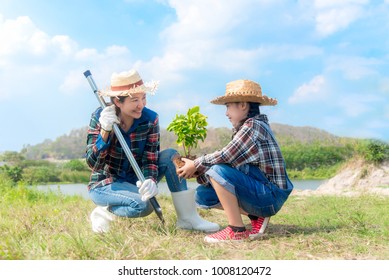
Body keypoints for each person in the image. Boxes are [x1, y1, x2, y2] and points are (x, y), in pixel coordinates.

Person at [85, 69, 219, 233]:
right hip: (106, 184)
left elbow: (150, 158)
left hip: (135, 180)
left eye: (143, 98)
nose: (141, 104)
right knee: (143, 206)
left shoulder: (150, 119)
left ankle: (188, 218)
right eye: (135, 100)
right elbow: (93, 163)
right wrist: (105, 131)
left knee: (170, 155)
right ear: (117, 102)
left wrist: (150, 180)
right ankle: (105, 212)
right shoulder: (101, 116)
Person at [177, 79, 294, 243]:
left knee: (217, 169)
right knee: (204, 195)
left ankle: (236, 230)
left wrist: (196, 164)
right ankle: (256, 215)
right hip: (264, 191)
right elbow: (232, 164)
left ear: (243, 105)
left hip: (271, 194)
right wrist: (198, 171)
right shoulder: (247, 127)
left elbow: (225, 156)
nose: (226, 113)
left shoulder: (253, 126)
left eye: (228, 106)